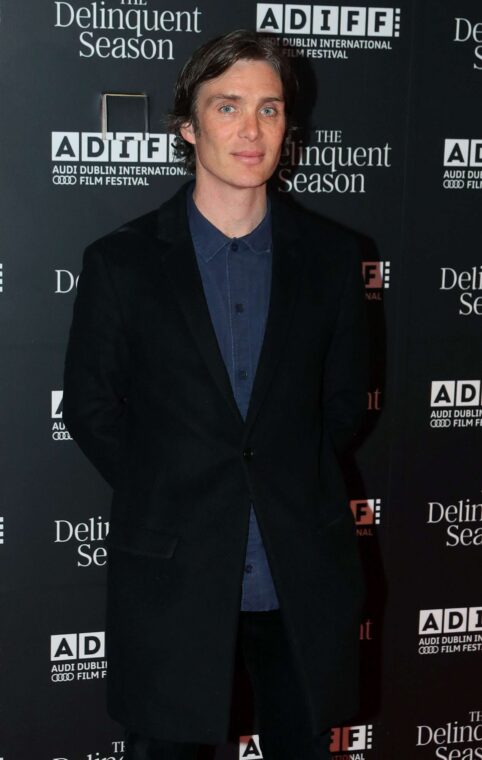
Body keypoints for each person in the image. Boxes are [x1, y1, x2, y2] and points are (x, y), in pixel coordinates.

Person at [63, 29, 368, 760]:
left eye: (269, 109)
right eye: (227, 107)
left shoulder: (333, 260)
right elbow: (91, 408)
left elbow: (345, 405)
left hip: (298, 571)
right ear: (189, 126)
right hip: (173, 572)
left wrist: (279, 479)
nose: (251, 129)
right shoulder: (122, 263)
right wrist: (173, 487)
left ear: (288, 126)